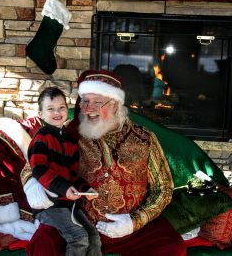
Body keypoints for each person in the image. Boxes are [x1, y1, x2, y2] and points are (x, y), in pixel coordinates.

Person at [26, 70, 186, 256]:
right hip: (79, 222)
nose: (88, 108)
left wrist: (134, 222)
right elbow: (34, 161)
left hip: (132, 230)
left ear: (115, 104)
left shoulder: (144, 138)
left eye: (97, 102)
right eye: (85, 101)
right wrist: (31, 182)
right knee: (43, 242)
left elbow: (163, 188)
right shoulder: (68, 133)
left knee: (172, 247)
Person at [27, 87, 102, 256]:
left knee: (94, 236)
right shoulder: (41, 138)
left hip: (70, 204)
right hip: (50, 205)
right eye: (50, 109)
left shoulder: (70, 142)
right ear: (41, 113)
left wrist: (85, 189)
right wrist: (64, 188)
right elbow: (39, 170)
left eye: (61, 107)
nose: (57, 112)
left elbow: (73, 175)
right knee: (79, 237)